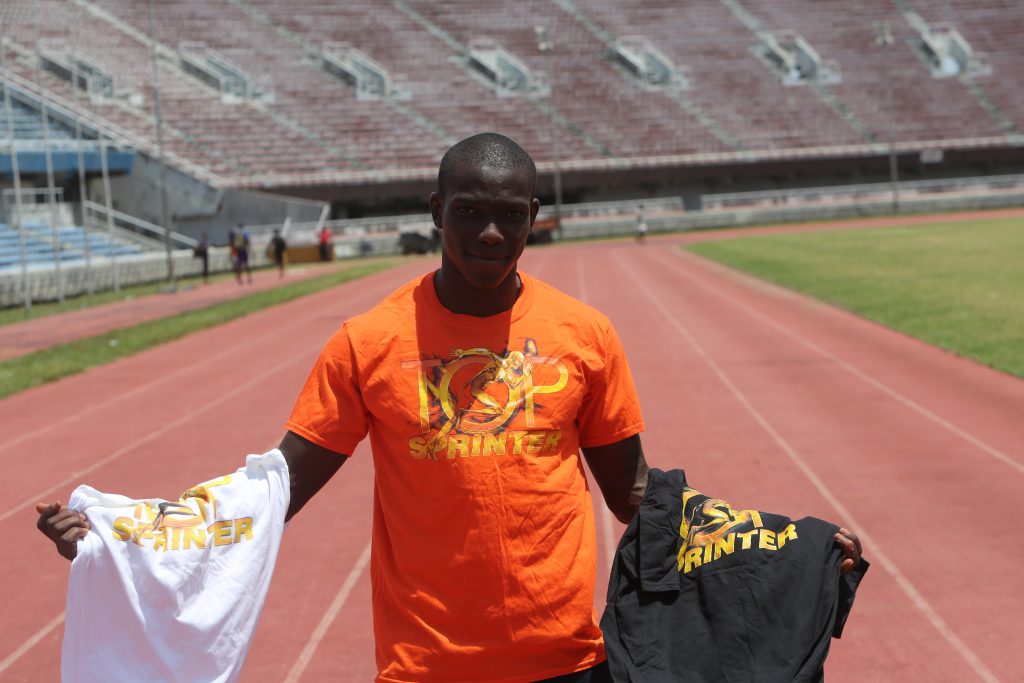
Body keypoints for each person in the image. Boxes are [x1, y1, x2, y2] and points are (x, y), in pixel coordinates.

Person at [37, 133, 861, 683]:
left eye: (511, 214)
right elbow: (274, 488)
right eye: (471, 211)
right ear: (436, 213)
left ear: (537, 219)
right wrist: (132, 535)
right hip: (424, 666)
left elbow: (634, 491)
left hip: (569, 658)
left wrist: (782, 543)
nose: (492, 232)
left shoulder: (584, 333)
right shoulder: (368, 342)